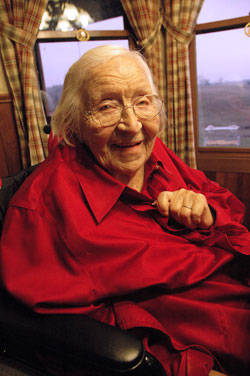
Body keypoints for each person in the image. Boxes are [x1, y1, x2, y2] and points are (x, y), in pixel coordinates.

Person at [0, 45, 249, 376]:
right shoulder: (42, 206)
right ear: (74, 123)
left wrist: (209, 212)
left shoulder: (153, 152)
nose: (132, 125)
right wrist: (182, 366)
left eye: (143, 102)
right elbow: (61, 333)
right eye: (107, 107)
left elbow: (228, 206)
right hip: (205, 343)